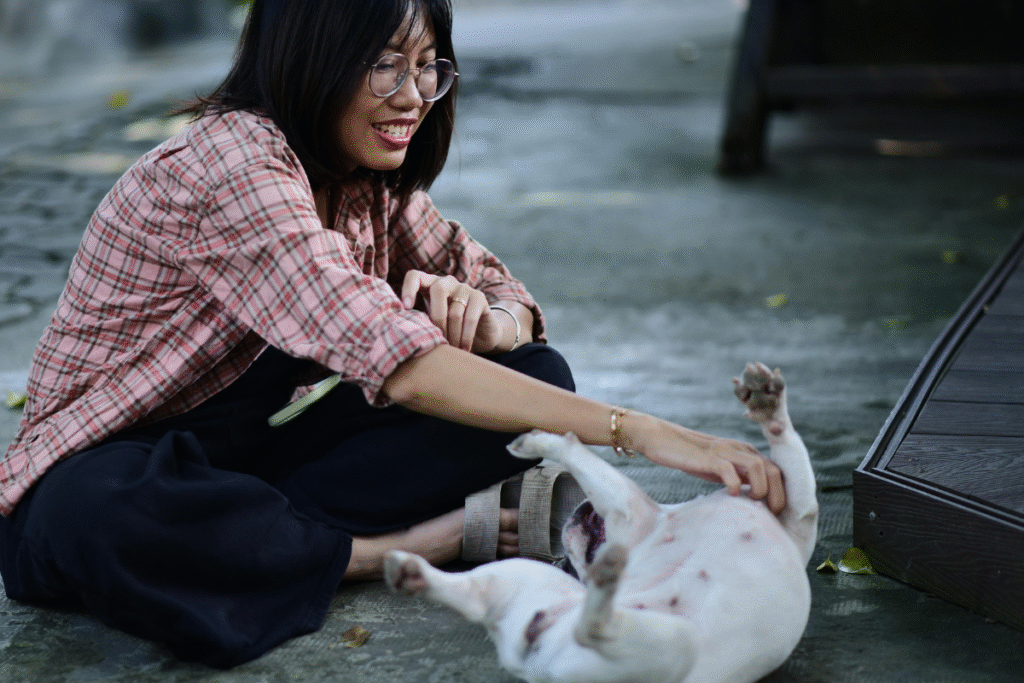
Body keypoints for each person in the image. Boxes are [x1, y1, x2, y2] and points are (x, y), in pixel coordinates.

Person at [0, 0, 785, 669]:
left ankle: (269, 541)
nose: (413, 96)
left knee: (535, 373)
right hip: (108, 476)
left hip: (243, 465)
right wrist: (641, 433)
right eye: (385, 65)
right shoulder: (233, 165)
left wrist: (484, 318)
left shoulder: (362, 177)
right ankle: (395, 546)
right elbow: (401, 364)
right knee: (99, 510)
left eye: (429, 66)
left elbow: (501, 290)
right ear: (315, 56)